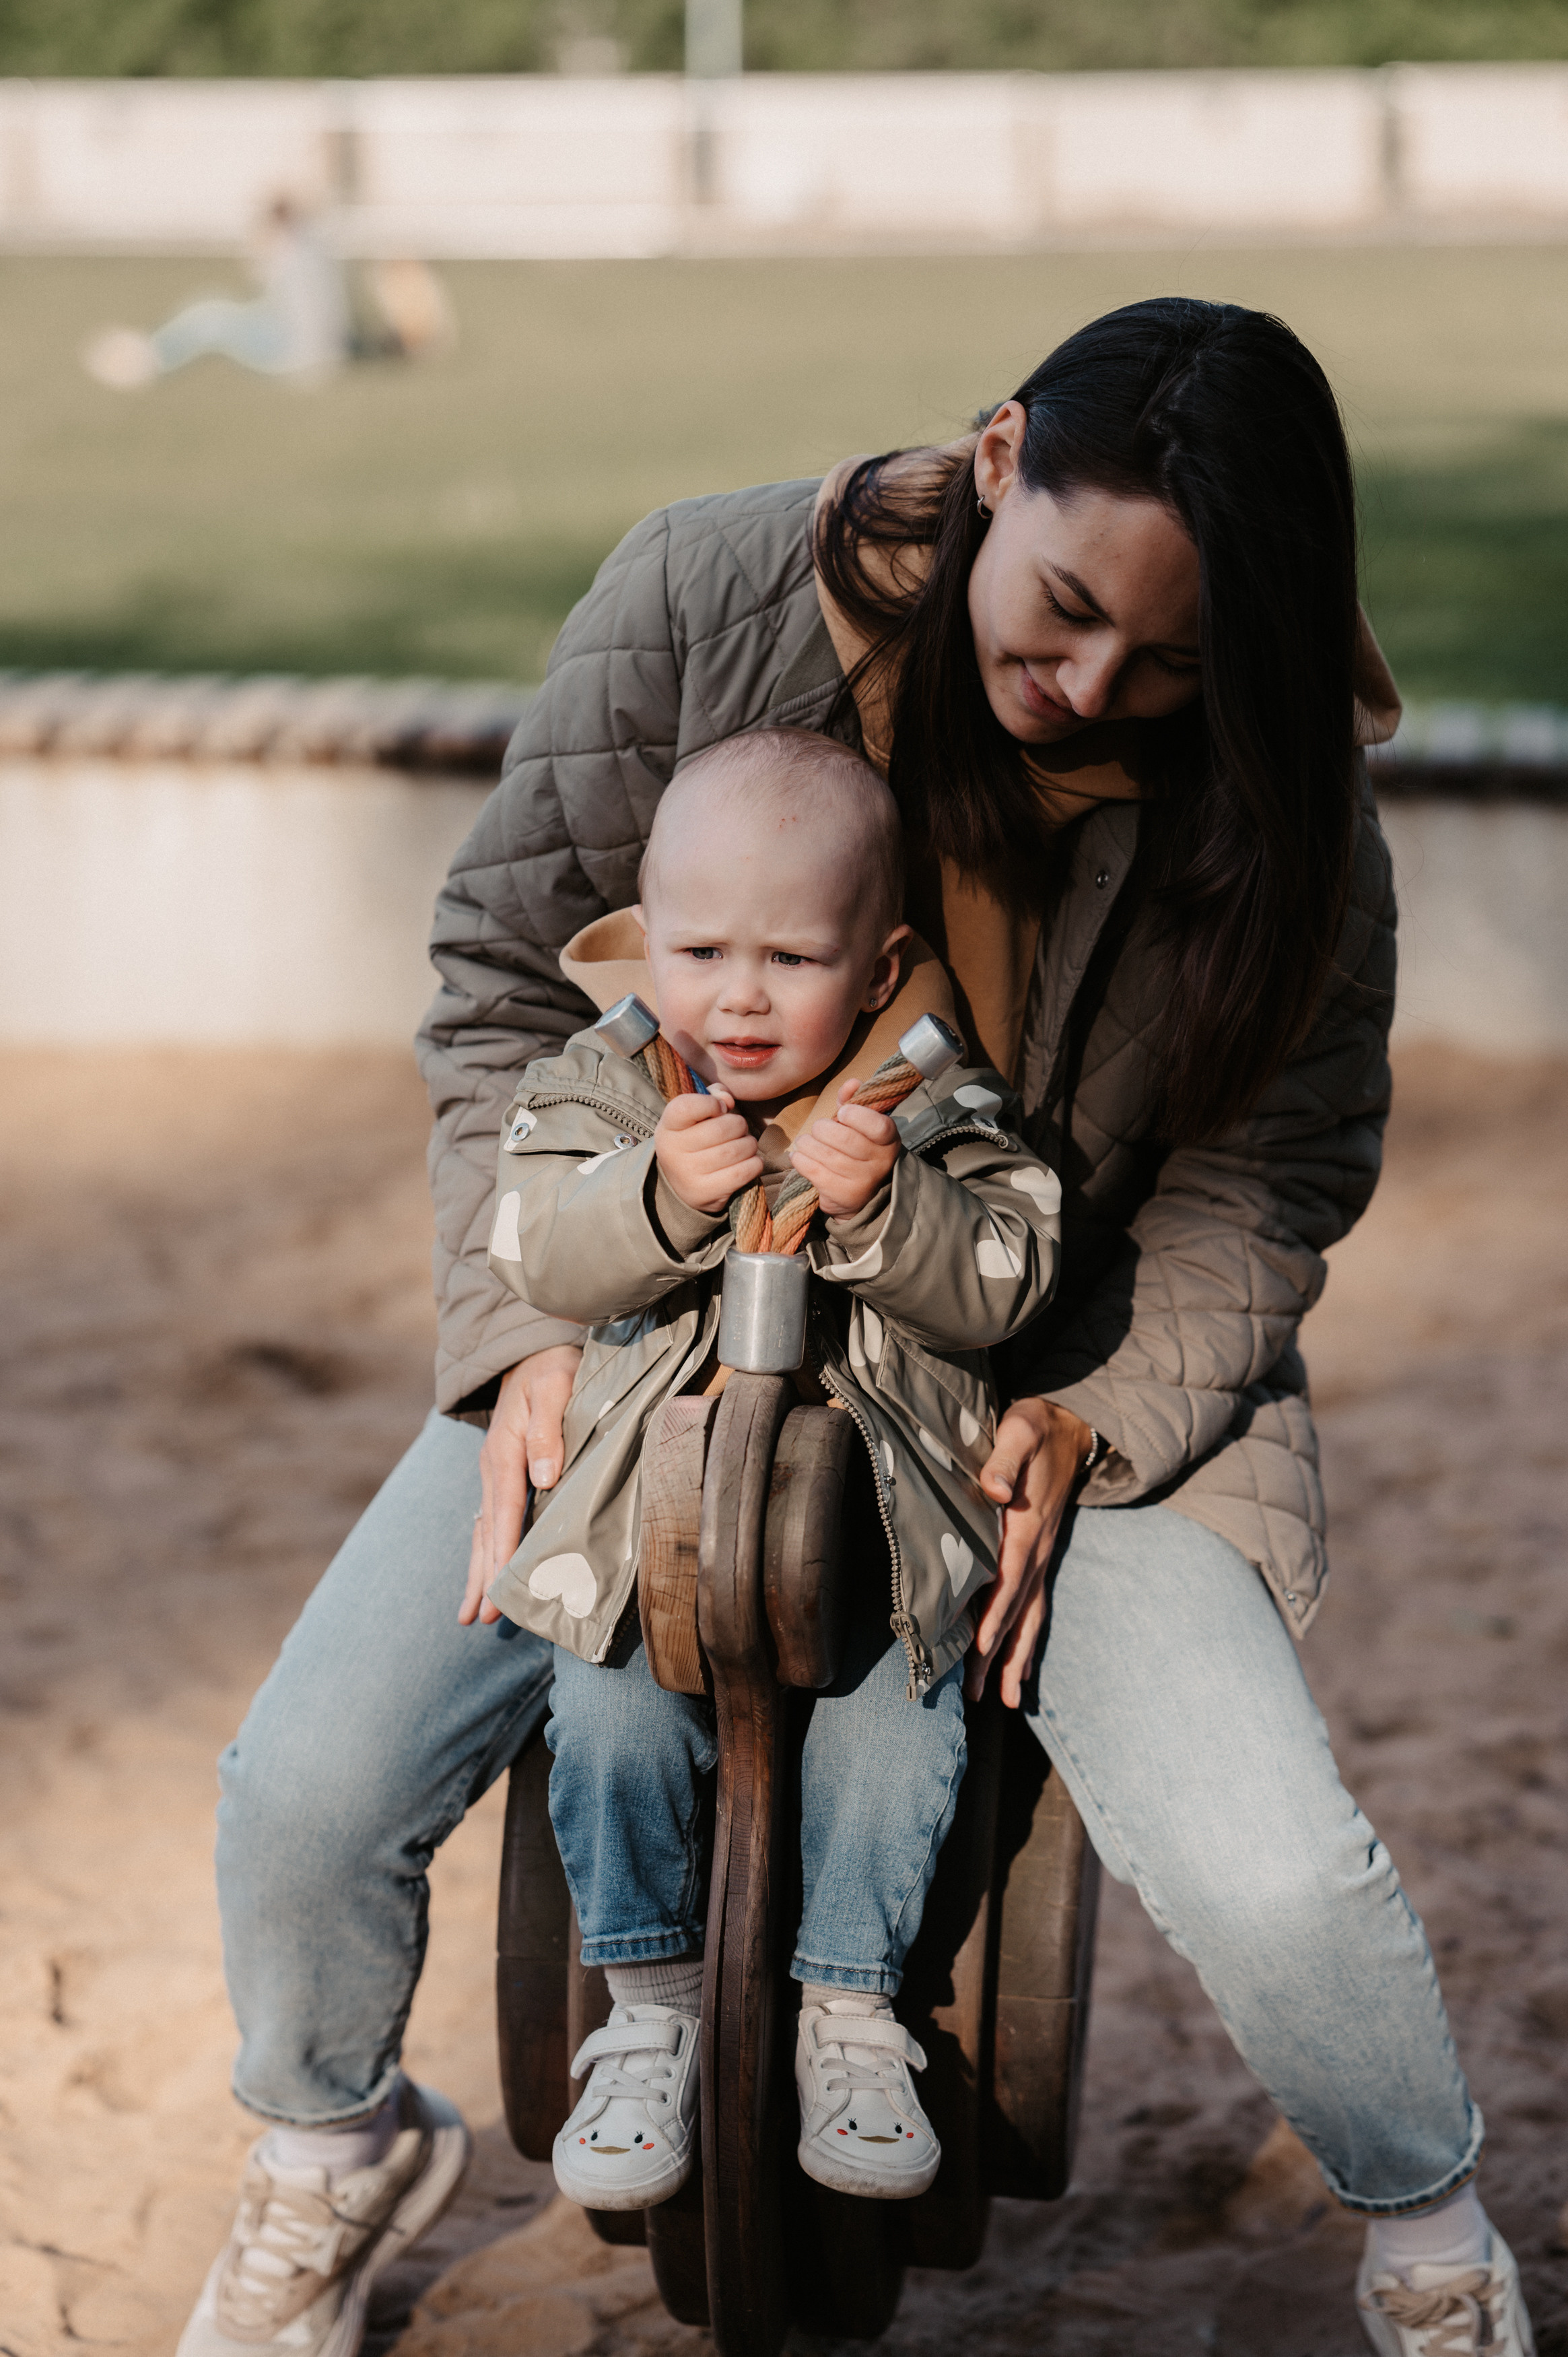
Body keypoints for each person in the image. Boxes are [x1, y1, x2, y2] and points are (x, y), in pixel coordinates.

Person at [181, 296, 1536, 2357]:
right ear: (996, 459)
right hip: (637, 1319)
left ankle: (1431, 2242)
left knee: (1270, 1868)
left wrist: (1104, 1409)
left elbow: (1270, 1173)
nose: (1088, 686)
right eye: (1067, 607)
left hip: (1044, 1377)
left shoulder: (1277, 787)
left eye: (1164, 660)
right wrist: (512, 1321)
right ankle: (331, 2138)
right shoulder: (709, 585)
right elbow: (496, 973)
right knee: (305, 1782)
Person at [476, 728, 1060, 2210]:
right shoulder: (609, 1083)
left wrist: (891, 1211)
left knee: (897, 1728)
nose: (739, 994)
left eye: (792, 957)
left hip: (875, 1533)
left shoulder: (929, 1108)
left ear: (879, 970)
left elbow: (1008, 1275)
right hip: (637, 1530)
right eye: (702, 949)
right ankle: (651, 2001)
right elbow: (533, 1243)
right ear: (645, 940)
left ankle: (851, 2006)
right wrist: (655, 1195)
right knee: (604, 1716)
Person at [83, 197, 351, 391]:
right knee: (213, 310)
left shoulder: (291, 252)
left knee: (211, 316)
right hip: (317, 345)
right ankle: (150, 352)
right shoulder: (314, 245)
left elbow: (261, 269)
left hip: (296, 353)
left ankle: (146, 360)